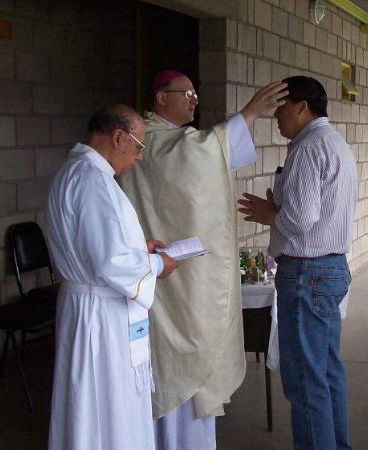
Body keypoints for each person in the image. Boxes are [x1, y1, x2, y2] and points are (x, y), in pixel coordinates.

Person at [119, 70, 288, 450]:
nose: (194, 100)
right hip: (165, 281)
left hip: (183, 274)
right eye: (187, 93)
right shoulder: (148, 139)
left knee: (193, 352)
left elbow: (202, 152)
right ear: (161, 98)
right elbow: (198, 154)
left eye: (196, 93)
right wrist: (248, 115)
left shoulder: (174, 139)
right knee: (173, 360)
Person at [45, 104, 178, 450]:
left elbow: (94, 244)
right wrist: (159, 264)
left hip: (87, 305)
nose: (138, 157)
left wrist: (140, 248)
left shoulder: (77, 173)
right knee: (108, 407)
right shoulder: (93, 181)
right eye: (138, 147)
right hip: (100, 317)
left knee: (92, 403)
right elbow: (110, 263)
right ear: (118, 137)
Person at [238, 75, 357, 450]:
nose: (276, 117)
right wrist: (281, 209)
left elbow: (300, 220)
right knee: (326, 373)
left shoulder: (308, 147)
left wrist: (270, 212)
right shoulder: (335, 143)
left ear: (303, 107)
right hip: (330, 268)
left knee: (305, 381)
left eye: (281, 108)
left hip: (307, 273)